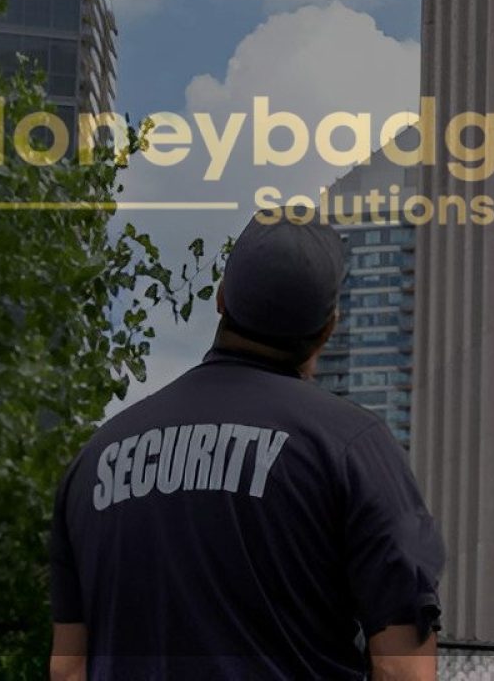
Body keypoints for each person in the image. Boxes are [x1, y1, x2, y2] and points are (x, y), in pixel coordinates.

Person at [49, 213, 446, 681]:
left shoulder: (96, 459)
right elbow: (402, 669)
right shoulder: (354, 449)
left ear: (221, 299)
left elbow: (69, 669)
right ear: (328, 328)